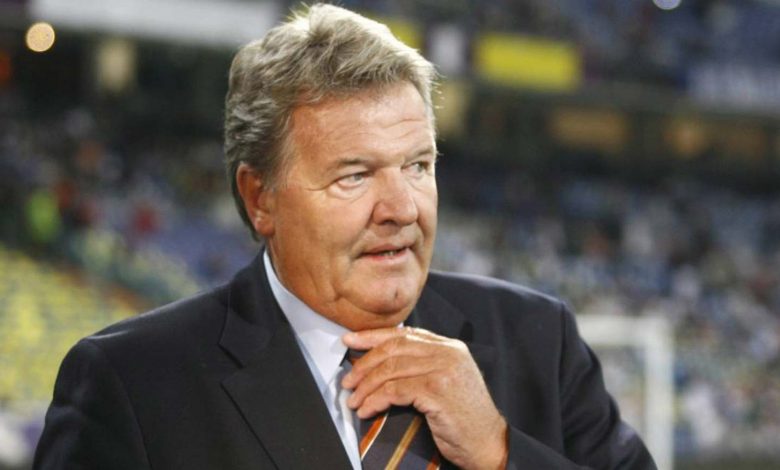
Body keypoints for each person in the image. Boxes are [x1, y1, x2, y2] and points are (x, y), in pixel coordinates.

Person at [34, 4, 656, 469]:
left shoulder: (539, 340)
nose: (401, 208)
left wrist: (499, 452)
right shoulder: (134, 383)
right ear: (260, 198)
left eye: (418, 166)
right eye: (354, 176)